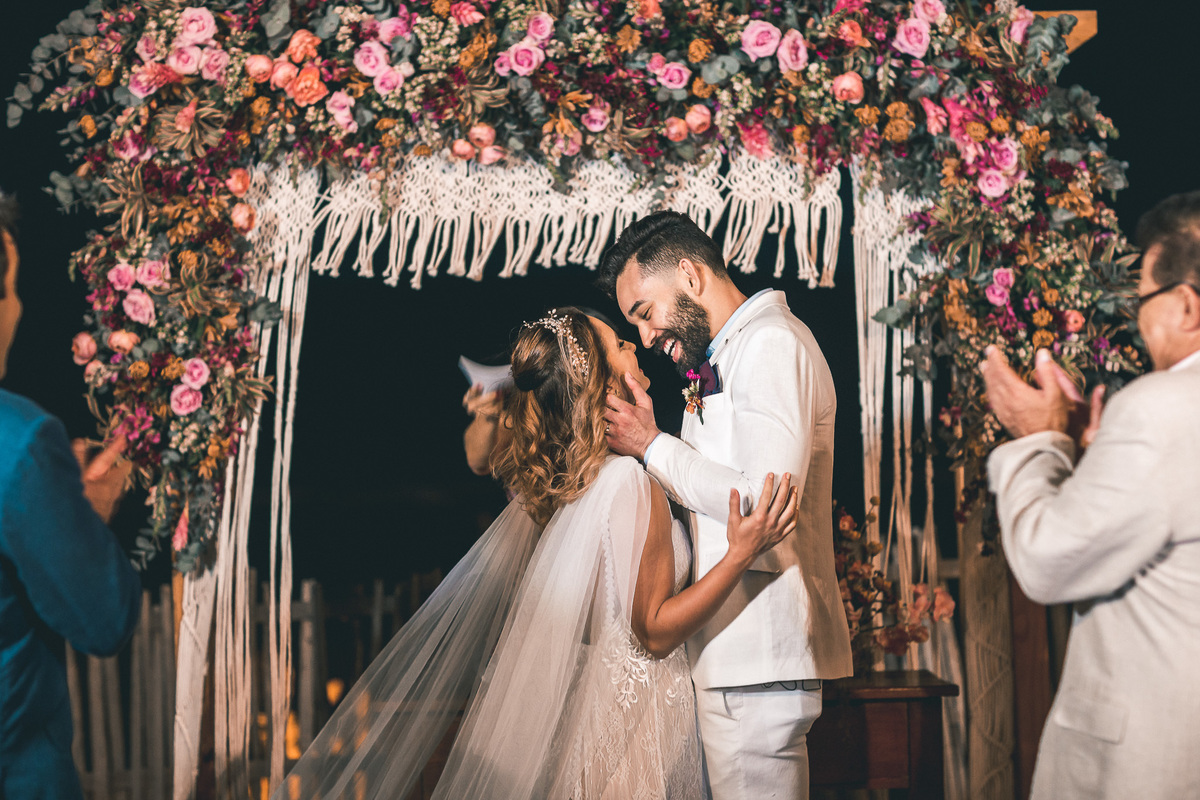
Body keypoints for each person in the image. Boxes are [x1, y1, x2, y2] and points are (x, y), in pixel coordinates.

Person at [278, 307, 798, 798]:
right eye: (620, 343)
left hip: (603, 713)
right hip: (639, 724)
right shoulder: (627, 483)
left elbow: (485, 462)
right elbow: (654, 631)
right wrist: (738, 553)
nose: (636, 346)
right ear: (601, 382)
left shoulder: (578, 483)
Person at [598, 210, 853, 799]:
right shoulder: (729, 352)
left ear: (688, 275)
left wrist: (652, 445)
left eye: (644, 312)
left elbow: (763, 503)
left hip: (755, 654)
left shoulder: (768, 342)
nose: (644, 336)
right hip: (738, 658)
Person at [979, 190, 1200, 798]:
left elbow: (1047, 563)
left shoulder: (1162, 408)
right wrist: (1096, 457)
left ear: (1185, 305)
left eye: (1144, 299)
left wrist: (1040, 440)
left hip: (1150, 760)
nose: (1137, 318)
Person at [0, 191, 141, 798]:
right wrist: (87, 509)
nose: (18, 307)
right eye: (9, 288)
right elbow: (102, 619)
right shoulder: (21, 443)